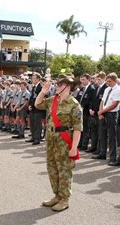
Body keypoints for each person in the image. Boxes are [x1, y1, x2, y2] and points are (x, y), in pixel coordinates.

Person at [35, 77, 83, 212]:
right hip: (51, 140)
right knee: (52, 169)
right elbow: (37, 104)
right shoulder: (52, 100)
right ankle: (57, 195)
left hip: (64, 141)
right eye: (56, 84)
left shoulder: (74, 105)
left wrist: (74, 148)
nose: (56, 86)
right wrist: (43, 92)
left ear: (67, 86)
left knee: (64, 171)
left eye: (60, 84)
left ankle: (65, 199)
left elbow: (78, 128)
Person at [93, 73, 120, 163]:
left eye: (109, 81)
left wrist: (101, 111)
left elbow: (114, 104)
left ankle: (112, 157)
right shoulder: (107, 89)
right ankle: (102, 153)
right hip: (103, 113)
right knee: (102, 134)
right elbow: (102, 101)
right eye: (107, 81)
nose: (108, 83)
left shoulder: (119, 90)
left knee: (112, 137)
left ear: (115, 80)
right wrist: (100, 112)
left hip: (112, 114)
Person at [87, 72, 107, 154]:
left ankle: (101, 150)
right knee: (94, 132)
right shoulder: (96, 88)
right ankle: (94, 147)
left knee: (101, 133)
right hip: (94, 113)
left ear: (104, 79)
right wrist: (91, 109)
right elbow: (92, 100)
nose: (97, 81)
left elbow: (103, 102)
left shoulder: (106, 88)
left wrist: (99, 111)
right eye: (97, 79)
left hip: (101, 113)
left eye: (99, 79)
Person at [77, 74, 95, 151]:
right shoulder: (81, 89)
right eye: (81, 79)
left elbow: (91, 101)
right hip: (79, 112)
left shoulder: (92, 89)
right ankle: (79, 143)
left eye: (83, 79)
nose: (82, 81)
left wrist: (83, 106)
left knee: (86, 129)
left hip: (86, 112)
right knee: (80, 128)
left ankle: (84, 144)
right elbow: (78, 99)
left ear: (88, 79)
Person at [28, 73, 44, 145]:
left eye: (34, 78)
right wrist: (29, 105)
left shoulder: (41, 87)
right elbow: (32, 98)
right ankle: (33, 137)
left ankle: (37, 139)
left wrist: (33, 106)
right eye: (32, 78)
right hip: (32, 108)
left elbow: (39, 99)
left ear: (38, 79)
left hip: (38, 109)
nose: (32, 80)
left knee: (37, 125)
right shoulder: (34, 87)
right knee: (32, 124)